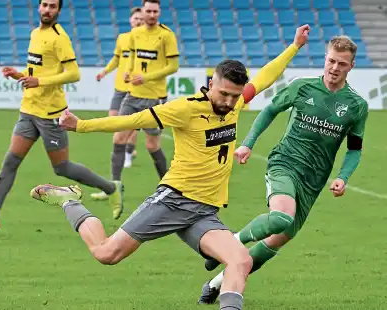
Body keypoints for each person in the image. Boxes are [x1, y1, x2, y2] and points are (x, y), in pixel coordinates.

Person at [29, 25, 309, 310]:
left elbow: (265, 77)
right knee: (106, 253)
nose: (228, 101)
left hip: (204, 211)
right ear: (211, 83)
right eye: (224, 93)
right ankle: (70, 200)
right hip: (174, 200)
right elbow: (133, 121)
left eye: (234, 96)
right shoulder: (185, 108)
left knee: (241, 260)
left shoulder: (235, 105)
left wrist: (295, 45)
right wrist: (81, 125)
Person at [198, 35, 369, 305]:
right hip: (284, 163)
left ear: (351, 66)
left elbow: (355, 149)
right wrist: (248, 144)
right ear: (325, 59)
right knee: (281, 217)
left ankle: (216, 284)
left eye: (342, 64)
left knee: (278, 240)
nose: (335, 68)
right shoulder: (302, 87)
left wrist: (342, 177)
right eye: (331, 61)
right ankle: (228, 244)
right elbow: (269, 111)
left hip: (313, 181)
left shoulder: (357, 106)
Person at [0, 0, 122, 236]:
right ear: (39, 7)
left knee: (62, 168)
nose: (47, 10)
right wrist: (20, 75)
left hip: (51, 114)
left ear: (59, 11)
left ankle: (109, 187)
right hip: (29, 110)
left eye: (52, 6)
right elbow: (38, 71)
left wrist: (39, 82)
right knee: (10, 163)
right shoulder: (35, 34)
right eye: (44, 5)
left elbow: (74, 73)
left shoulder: (59, 37)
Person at [91, 0, 180, 207]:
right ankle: (115, 188)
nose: (151, 14)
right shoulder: (135, 34)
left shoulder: (166, 35)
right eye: (147, 11)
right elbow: (132, 58)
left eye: (154, 11)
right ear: (142, 11)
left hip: (154, 98)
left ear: (159, 13)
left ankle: (169, 188)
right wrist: (129, 72)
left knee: (151, 145)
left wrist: (146, 77)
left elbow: (173, 66)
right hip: (133, 95)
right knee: (119, 138)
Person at [94, 7, 143, 175]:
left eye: (140, 18)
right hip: (120, 86)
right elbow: (116, 58)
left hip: (134, 88)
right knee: (113, 118)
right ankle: (126, 148)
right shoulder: (123, 38)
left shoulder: (144, 39)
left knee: (130, 123)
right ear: (130, 20)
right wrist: (104, 72)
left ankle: (128, 155)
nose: (138, 21)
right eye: (135, 18)